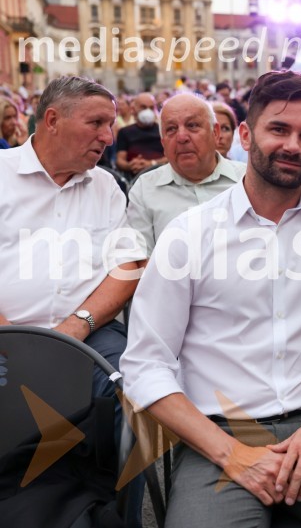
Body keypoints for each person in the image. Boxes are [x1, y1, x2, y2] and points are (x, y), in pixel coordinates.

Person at [120, 71, 301, 528]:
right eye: (279, 130)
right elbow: (145, 365)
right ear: (245, 136)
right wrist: (232, 454)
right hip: (218, 437)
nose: (294, 145)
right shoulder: (189, 234)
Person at [0, 76, 144, 402]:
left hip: (91, 333)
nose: (108, 137)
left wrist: (77, 326)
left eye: (110, 124)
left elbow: (126, 267)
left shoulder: (104, 185)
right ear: (52, 120)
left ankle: (121, 456)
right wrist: (12, 337)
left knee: (134, 387)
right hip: (5, 332)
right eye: (96, 123)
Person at [127, 94, 246, 256]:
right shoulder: (144, 189)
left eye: (192, 125)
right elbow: (141, 261)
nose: (182, 137)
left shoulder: (248, 180)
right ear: (163, 142)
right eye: (171, 129)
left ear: (215, 133)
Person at [115, 92, 165, 180]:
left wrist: (151, 163)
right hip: (135, 178)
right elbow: (120, 161)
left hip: (161, 176)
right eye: (143, 107)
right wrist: (131, 166)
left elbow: (171, 158)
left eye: (151, 108)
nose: (148, 111)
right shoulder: (125, 132)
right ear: (133, 109)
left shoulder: (162, 130)